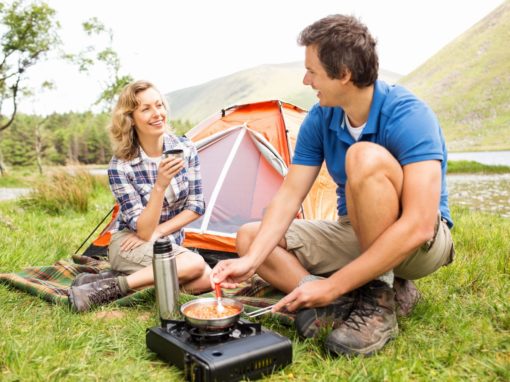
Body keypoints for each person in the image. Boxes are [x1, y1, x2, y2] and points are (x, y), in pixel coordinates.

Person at [211, 15, 454, 355]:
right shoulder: (320, 117)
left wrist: (335, 281)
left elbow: (419, 225)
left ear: (344, 75)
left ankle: (377, 302)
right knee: (252, 237)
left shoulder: (409, 114)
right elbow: (288, 197)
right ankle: (336, 302)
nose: (306, 79)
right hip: (354, 231)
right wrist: (250, 262)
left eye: (312, 70)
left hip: (421, 244)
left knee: (363, 157)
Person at [69, 80, 211, 312]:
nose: (157, 114)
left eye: (159, 105)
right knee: (195, 264)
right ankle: (107, 290)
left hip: (168, 243)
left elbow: (196, 206)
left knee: (206, 278)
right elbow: (144, 231)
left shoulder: (186, 149)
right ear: (130, 119)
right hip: (130, 243)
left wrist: (160, 232)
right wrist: (160, 186)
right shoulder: (121, 166)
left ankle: (109, 282)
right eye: (146, 109)